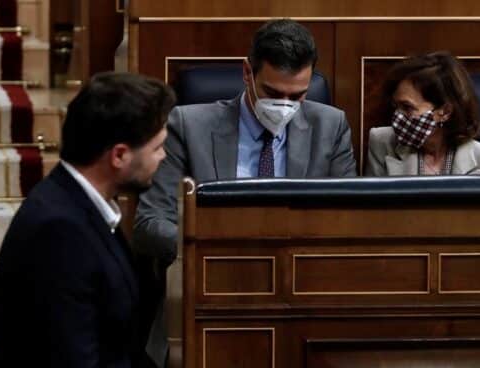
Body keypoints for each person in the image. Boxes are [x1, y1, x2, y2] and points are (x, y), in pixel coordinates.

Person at [133, 18, 357, 367]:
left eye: (298, 95)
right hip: (209, 296)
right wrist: (223, 255)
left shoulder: (330, 126)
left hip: (296, 299)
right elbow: (149, 225)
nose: (285, 104)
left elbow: (346, 226)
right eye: (272, 93)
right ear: (247, 73)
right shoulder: (188, 125)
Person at [0, 72, 175, 368]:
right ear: (119, 156)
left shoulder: (82, 206)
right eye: (156, 148)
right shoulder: (59, 232)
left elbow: (118, 343)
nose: (163, 157)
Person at [365, 51, 480, 176]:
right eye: (396, 106)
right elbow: (372, 210)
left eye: (407, 107)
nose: (397, 116)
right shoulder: (382, 143)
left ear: (445, 111)